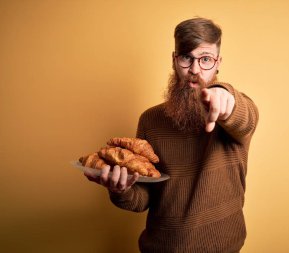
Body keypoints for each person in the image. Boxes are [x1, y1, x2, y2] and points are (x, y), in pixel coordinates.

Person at [85, 17, 259, 253]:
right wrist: (121, 189)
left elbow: (246, 117)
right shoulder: (150, 120)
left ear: (218, 63)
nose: (194, 70)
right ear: (174, 59)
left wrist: (224, 93)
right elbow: (144, 199)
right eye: (187, 57)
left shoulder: (234, 112)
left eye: (205, 59)